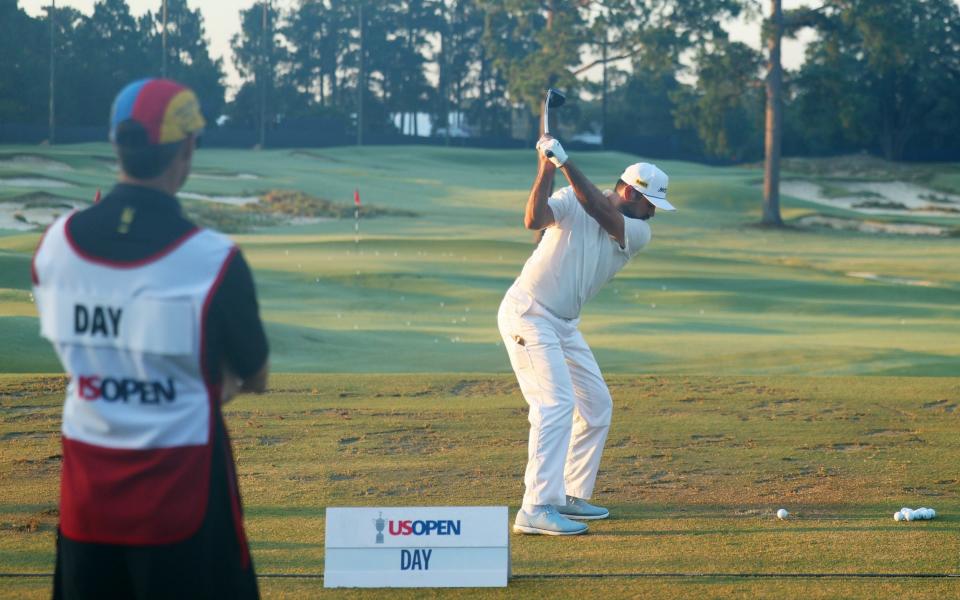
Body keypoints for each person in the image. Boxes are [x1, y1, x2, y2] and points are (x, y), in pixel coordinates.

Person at [32, 78, 269, 598]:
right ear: (186, 149)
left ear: (117, 147)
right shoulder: (213, 259)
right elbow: (255, 374)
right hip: (183, 503)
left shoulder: (56, 246)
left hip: (86, 499)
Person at [498, 134, 675, 535]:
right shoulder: (570, 198)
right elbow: (533, 219)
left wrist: (564, 160)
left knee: (596, 406)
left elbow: (599, 208)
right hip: (528, 313)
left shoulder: (636, 231)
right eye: (651, 204)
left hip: (563, 323)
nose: (654, 213)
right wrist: (545, 169)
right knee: (555, 404)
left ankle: (567, 495)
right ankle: (535, 507)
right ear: (630, 191)